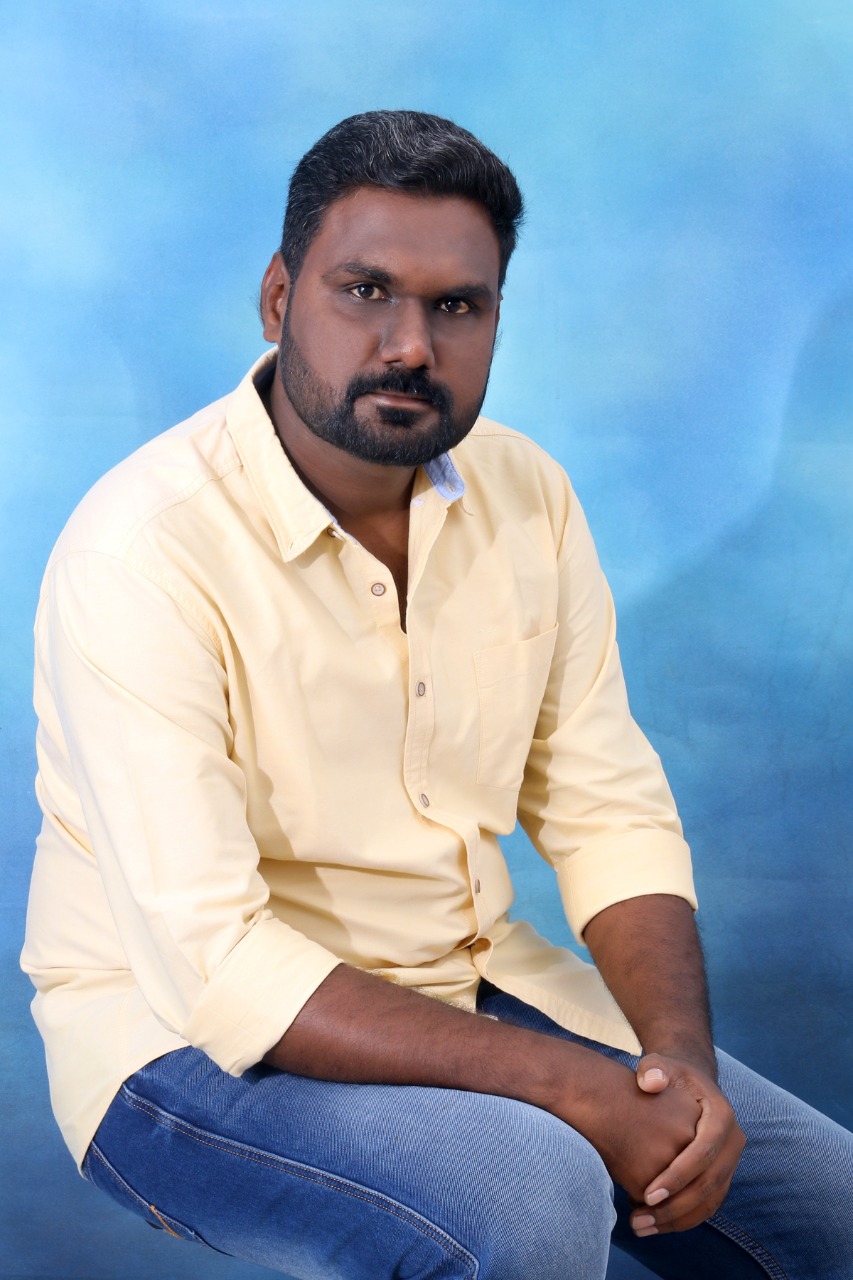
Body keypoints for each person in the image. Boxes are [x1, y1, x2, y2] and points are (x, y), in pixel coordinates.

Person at [22, 110, 852, 1280]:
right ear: (278, 298)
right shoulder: (142, 548)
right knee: (533, 1189)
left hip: (467, 981)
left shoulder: (528, 495)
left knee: (830, 1211)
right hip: (177, 1043)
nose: (410, 344)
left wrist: (679, 1070)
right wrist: (578, 1087)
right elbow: (217, 963)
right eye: (365, 290)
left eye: (457, 304)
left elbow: (605, 807)